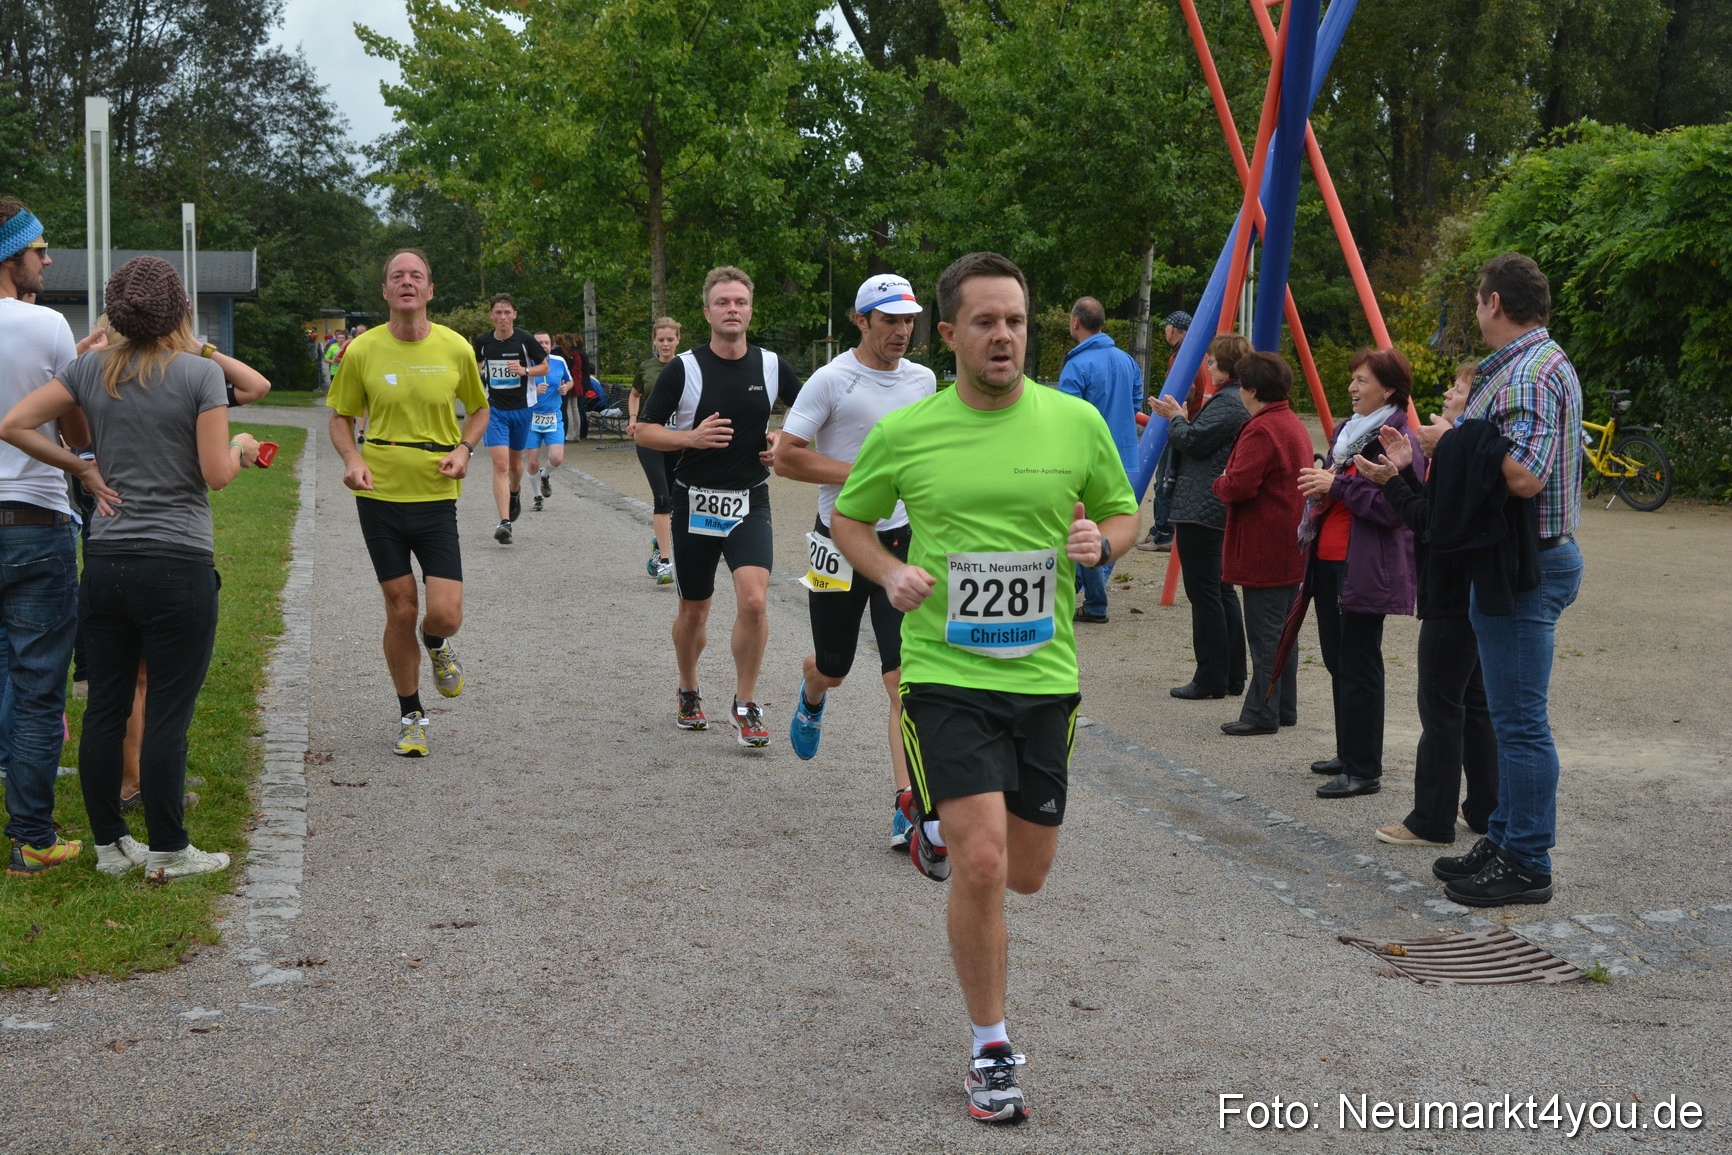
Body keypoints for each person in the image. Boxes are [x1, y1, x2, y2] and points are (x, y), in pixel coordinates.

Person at [831, 252, 1137, 1124]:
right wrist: (889, 573)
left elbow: (1123, 509)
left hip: (1043, 677)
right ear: (952, 332)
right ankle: (989, 1047)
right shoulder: (909, 431)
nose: (1003, 335)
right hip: (945, 675)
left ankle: (966, 865)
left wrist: (1102, 547)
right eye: (986, 321)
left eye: (1015, 320)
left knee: (1028, 874)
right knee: (985, 860)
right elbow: (851, 517)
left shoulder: (1073, 422)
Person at [1, 255, 262, 880]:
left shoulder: (89, 368)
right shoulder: (198, 374)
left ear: (115, 310)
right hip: (178, 561)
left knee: (107, 707)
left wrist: (81, 467)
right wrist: (242, 449)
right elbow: (216, 474)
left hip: (109, 561)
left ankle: (112, 847)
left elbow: (13, 423)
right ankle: (171, 847)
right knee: (169, 709)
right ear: (180, 311)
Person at [1421, 253, 1584, 906]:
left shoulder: (1532, 372)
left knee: (1519, 723)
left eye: (1477, 301)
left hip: (1525, 565)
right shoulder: (1530, 366)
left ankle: (1527, 859)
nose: (1476, 311)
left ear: (1491, 302)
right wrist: (1461, 435)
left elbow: (1525, 474)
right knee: (1515, 717)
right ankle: (1509, 835)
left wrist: (1453, 439)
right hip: (1517, 560)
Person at [775, 274, 935, 848]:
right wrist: (867, 478)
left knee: (902, 679)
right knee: (836, 666)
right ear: (861, 321)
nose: (901, 330)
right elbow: (786, 459)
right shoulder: (831, 379)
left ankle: (907, 805)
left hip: (900, 542)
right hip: (838, 541)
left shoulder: (924, 379)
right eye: (889, 320)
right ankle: (812, 689)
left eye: (908, 319)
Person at [328, 249, 489, 757]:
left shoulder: (456, 347)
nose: (406, 282)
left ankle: (437, 644)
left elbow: (480, 410)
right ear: (384, 291)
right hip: (378, 493)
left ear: (430, 290)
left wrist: (464, 449)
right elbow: (340, 416)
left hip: (437, 493)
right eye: (397, 276)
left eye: (416, 275)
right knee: (401, 608)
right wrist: (352, 457)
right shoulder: (362, 351)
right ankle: (411, 714)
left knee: (444, 613)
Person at [634, 267, 801, 744]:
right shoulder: (683, 368)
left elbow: (811, 410)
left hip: (750, 498)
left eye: (740, 302)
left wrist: (781, 438)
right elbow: (644, 430)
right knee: (694, 611)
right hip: (695, 501)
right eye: (723, 302)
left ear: (750, 311)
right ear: (707, 312)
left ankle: (744, 703)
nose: (733, 309)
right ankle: (688, 687)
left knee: (753, 598)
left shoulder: (771, 366)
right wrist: (690, 437)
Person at [1353, 362, 1498, 844]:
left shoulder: (1462, 449)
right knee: (1472, 701)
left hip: (1453, 593)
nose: (1448, 395)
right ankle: (1483, 806)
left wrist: (1390, 483)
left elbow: (1435, 528)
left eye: (1457, 390)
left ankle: (1431, 818)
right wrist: (1401, 476)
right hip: (1469, 589)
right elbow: (1432, 515)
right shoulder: (1474, 450)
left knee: (1440, 706)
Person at [0, 197, 102, 876]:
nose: (48, 259)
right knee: (39, 686)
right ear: (10, 256)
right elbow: (78, 431)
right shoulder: (46, 325)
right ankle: (33, 837)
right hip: (34, 522)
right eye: (39, 249)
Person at [1296, 347, 1422, 799]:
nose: (1351, 387)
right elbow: (1343, 489)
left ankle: (1364, 768)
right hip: (1331, 556)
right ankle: (1348, 751)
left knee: (1360, 662)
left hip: (1365, 563)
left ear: (1388, 388)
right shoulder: (1349, 433)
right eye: (1352, 379)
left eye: (1362, 380)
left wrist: (1337, 485)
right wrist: (1322, 479)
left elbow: (1395, 509)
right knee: (1337, 658)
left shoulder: (1396, 438)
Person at [1211, 351, 1311, 735]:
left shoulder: (1262, 428)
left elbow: (1239, 484)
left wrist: (1219, 481)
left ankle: (1261, 712)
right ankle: (1283, 706)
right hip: (1291, 543)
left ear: (1251, 390)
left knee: (1266, 634)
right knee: (1285, 631)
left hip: (1264, 545)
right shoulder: (1291, 422)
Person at [1150, 333, 1251, 700]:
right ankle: (1231, 674)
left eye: (1211, 361)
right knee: (1221, 592)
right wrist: (1179, 418)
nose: (1207, 367)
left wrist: (1175, 418)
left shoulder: (1227, 402)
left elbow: (1193, 441)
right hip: (1213, 507)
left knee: (1206, 593)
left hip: (1202, 508)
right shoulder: (1234, 399)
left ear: (1226, 365)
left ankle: (1210, 677)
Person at [1058, 296, 1141, 623]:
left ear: (1075, 322)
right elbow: (1135, 405)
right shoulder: (1127, 361)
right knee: (1113, 525)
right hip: (1124, 457)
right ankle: (1091, 588)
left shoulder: (1077, 365)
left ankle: (1095, 603)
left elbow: (1066, 418)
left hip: (1089, 461)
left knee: (1086, 529)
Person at [472, 294, 548, 544]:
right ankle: (504, 523)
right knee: (501, 466)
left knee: (516, 467)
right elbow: (474, 369)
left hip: (522, 410)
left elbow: (544, 367)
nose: (503, 317)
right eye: (498, 312)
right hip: (495, 411)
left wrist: (525, 370)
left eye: (507, 312)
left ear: (514, 314)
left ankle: (515, 493)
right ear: (491, 316)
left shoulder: (525, 340)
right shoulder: (483, 342)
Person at [1136, 310, 1212, 552]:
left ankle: (1164, 533)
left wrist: (1174, 414)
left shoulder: (1184, 354)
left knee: (1166, 478)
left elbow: (1188, 390)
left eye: (1166, 326)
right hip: (1192, 422)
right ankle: (1161, 529)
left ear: (1175, 329)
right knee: (1172, 476)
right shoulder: (1198, 352)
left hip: (1181, 423)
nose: (1165, 330)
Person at [628, 318, 681, 584]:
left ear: (678, 340)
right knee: (662, 498)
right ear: (655, 341)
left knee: (677, 499)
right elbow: (635, 393)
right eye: (661, 340)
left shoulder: (687, 367)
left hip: (677, 440)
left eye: (670, 339)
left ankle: (659, 546)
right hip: (649, 439)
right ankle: (664, 563)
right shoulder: (647, 367)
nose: (665, 344)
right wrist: (633, 419)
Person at [523, 330, 572, 511]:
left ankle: (544, 476)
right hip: (531, 418)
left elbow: (570, 380)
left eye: (546, 343)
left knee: (557, 458)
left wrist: (566, 387)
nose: (543, 346)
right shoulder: (526, 365)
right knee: (533, 461)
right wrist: (534, 392)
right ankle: (537, 496)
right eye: (539, 343)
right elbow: (517, 392)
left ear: (550, 345)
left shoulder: (559, 362)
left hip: (554, 417)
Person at [564, 332, 599, 440]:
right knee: (576, 408)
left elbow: (574, 370)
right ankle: (577, 433)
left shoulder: (574, 354)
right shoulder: (581, 353)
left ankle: (572, 433)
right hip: (578, 383)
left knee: (570, 408)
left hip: (573, 383)